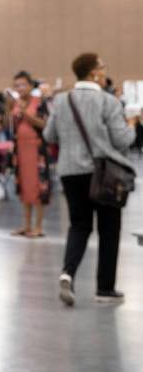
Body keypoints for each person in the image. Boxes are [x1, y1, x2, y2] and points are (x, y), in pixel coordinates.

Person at [44, 53, 138, 306]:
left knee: (79, 225)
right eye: (102, 67)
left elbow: (49, 134)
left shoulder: (61, 100)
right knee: (109, 230)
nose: (104, 71)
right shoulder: (108, 101)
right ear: (94, 72)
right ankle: (104, 289)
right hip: (103, 173)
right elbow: (122, 141)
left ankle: (68, 273)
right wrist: (131, 124)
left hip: (70, 172)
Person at [7, 71, 50, 238]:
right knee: (24, 186)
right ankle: (26, 225)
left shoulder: (39, 103)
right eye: (17, 85)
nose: (20, 88)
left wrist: (25, 112)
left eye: (23, 84)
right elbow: (10, 126)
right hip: (21, 149)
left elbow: (44, 124)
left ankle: (38, 226)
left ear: (31, 86)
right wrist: (8, 109)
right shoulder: (15, 104)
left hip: (36, 149)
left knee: (38, 186)